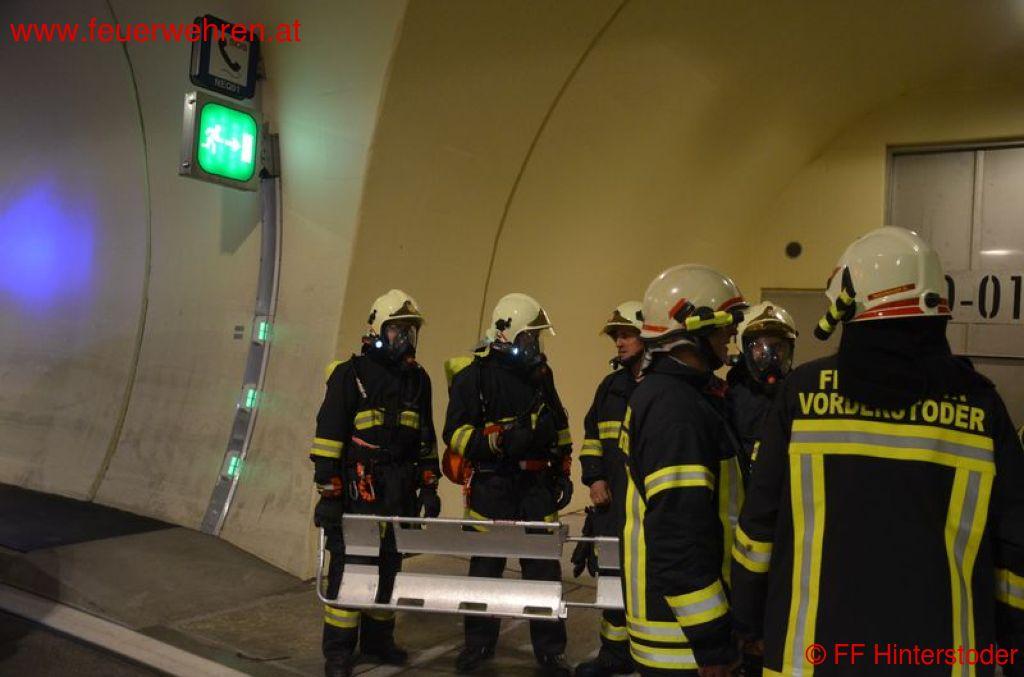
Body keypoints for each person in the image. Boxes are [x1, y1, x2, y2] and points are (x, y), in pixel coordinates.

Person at [731, 226, 1024, 676]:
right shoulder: (981, 403)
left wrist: (747, 620)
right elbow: (1013, 544)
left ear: (851, 302)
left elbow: (758, 529)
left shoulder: (801, 395)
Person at [620, 264, 746, 676]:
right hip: (683, 642)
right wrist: (713, 641)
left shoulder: (678, 396)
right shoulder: (677, 411)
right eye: (725, 324)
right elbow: (678, 536)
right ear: (690, 327)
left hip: (680, 631)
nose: (731, 334)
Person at [310, 289, 441, 677]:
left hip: (399, 489)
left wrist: (429, 484)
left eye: (412, 331)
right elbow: (328, 437)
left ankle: (379, 642)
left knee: (389, 566)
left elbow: (425, 437)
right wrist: (329, 493)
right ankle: (338, 652)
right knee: (350, 567)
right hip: (358, 490)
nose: (408, 339)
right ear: (378, 329)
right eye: (400, 330)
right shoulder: (350, 375)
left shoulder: (419, 380)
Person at [443, 292, 574, 676]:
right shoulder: (474, 376)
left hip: (536, 486)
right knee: (485, 569)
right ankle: (478, 644)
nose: (535, 345)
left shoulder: (540, 376)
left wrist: (563, 469)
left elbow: (560, 425)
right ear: (507, 333)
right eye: (529, 337)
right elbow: (455, 433)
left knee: (543, 570)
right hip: (493, 485)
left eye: (537, 338)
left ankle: (550, 650)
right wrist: (494, 442)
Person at [574, 302, 645, 677]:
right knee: (613, 580)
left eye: (626, 334)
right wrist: (595, 478)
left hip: (650, 507)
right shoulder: (611, 387)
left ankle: (653, 655)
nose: (619, 342)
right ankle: (614, 655)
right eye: (616, 336)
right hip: (614, 504)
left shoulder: (662, 386)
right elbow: (591, 439)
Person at [726, 301, 798, 484]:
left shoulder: (797, 396)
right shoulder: (728, 397)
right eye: (759, 346)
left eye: (779, 347)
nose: (770, 355)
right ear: (744, 348)